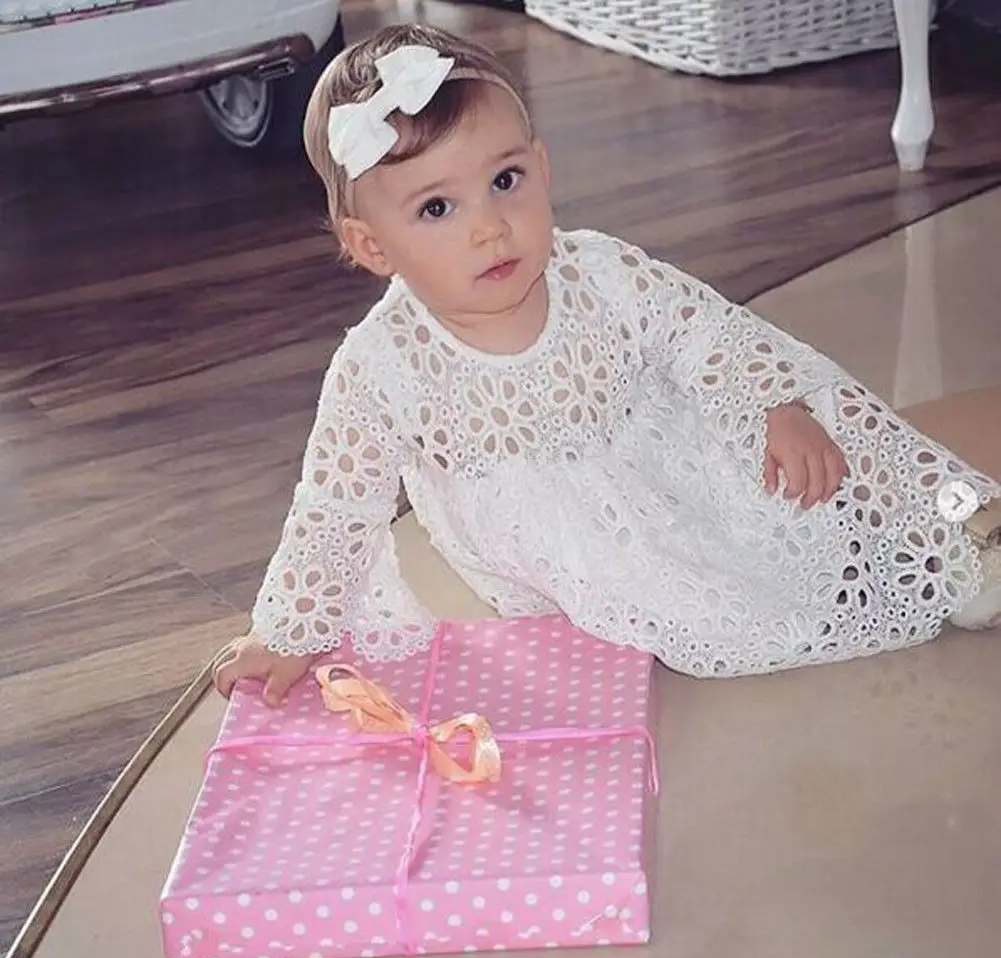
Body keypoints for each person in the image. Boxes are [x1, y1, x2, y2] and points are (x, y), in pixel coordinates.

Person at [211, 24, 1001, 707]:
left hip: (668, 443)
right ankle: (879, 583)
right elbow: (336, 507)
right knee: (704, 591)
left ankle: (950, 533)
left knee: (816, 416)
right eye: (437, 208)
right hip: (577, 537)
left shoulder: (597, 270)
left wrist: (773, 404)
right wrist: (288, 629)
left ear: (542, 166)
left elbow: (705, 333)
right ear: (371, 245)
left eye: (505, 180)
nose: (490, 227)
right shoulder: (380, 367)